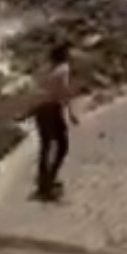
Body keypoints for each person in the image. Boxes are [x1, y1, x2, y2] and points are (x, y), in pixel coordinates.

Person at [31, 41, 78, 201]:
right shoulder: (64, 69)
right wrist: (71, 113)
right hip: (52, 109)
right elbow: (64, 91)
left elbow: (38, 87)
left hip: (40, 109)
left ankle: (43, 182)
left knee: (45, 146)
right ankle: (49, 180)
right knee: (62, 146)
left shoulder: (47, 70)